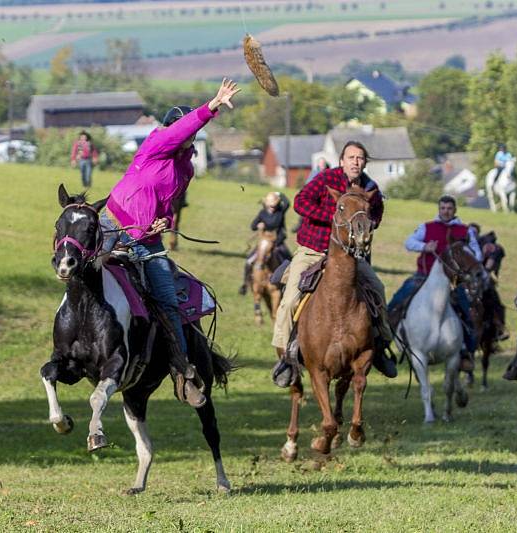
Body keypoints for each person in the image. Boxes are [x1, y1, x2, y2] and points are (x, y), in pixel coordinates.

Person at [99, 78, 241, 408]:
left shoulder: (185, 169)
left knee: (168, 299)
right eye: (180, 128)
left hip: (148, 240)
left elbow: (169, 201)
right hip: (113, 228)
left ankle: (182, 371)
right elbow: (178, 132)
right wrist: (212, 106)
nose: (185, 134)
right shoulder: (155, 145)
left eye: (188, 131)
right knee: (83, 273)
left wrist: (167, 221)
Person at [271, 140, 397, 384]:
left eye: (360, 158)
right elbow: (300, 202)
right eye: (351, 157)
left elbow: (377, 212)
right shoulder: (326, 179)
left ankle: (380, 346)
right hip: (313, 250)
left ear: (365, 163)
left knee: (377, 290)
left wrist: (367, 225)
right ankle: (285, 358)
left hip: (349, 255)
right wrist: (334, 218)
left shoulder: (370, 187)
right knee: (289, 301)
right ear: (341, 161)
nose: (355, 162)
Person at [387, 195, 483, 371]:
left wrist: (466, 255)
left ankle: (466, 353)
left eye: (449, 208)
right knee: (397, 301)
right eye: (443, 208)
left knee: (466, 311)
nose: (446, 211)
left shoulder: (465, 230)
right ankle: (384, 343)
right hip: (423, 276)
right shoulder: (427, 227)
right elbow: (409, 243)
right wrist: (424, 247)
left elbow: (477, 254)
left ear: (455, 210)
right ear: (439, 210)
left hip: (454, 280)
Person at [239, 191, 291, 295]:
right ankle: (245, 284)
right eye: (270, 205)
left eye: (274, 205)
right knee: (249, 261)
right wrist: (259, 225)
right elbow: (253, 226)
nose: (272, 207)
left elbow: (287, 202)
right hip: (264, 241)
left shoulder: (280, 211)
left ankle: (288, 285)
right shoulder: (262, 213)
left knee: (289, 260)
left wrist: (279, 193)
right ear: (266, 204)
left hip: (277, 241)